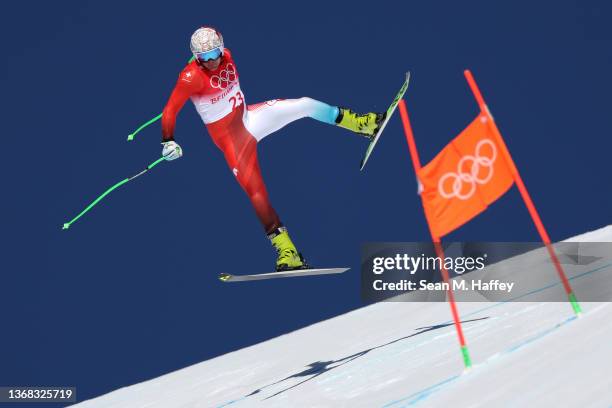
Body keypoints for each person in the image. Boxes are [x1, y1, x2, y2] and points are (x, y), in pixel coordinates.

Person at [161, 26, 385, 271]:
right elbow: (170, 110)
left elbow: (218, 56)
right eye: (205, 57)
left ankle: (362, 124)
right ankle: (287, 251)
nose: (213, 61)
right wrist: (168, 140)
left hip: (251, 119)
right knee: (256, 192)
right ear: (196, 57)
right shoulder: (190, 77)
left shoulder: (228, 55)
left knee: (305, 105)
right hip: (234, 142)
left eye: (215, 53)